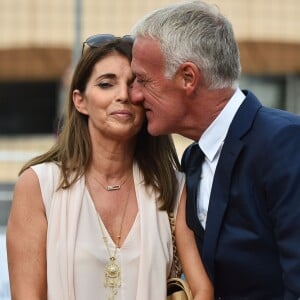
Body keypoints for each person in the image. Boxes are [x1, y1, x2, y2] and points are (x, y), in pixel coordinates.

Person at [6, 34, 213, 300]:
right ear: (80, 101)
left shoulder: (173, 187)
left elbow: (202, 290)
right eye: (106, 84)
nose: (123, 96)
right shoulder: (38, 185)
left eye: (134, 85)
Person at [130, 1, 300, 299]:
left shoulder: (286, 142)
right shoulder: (193, 159)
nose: (133, 94)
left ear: (188, 78)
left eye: (143, 80)